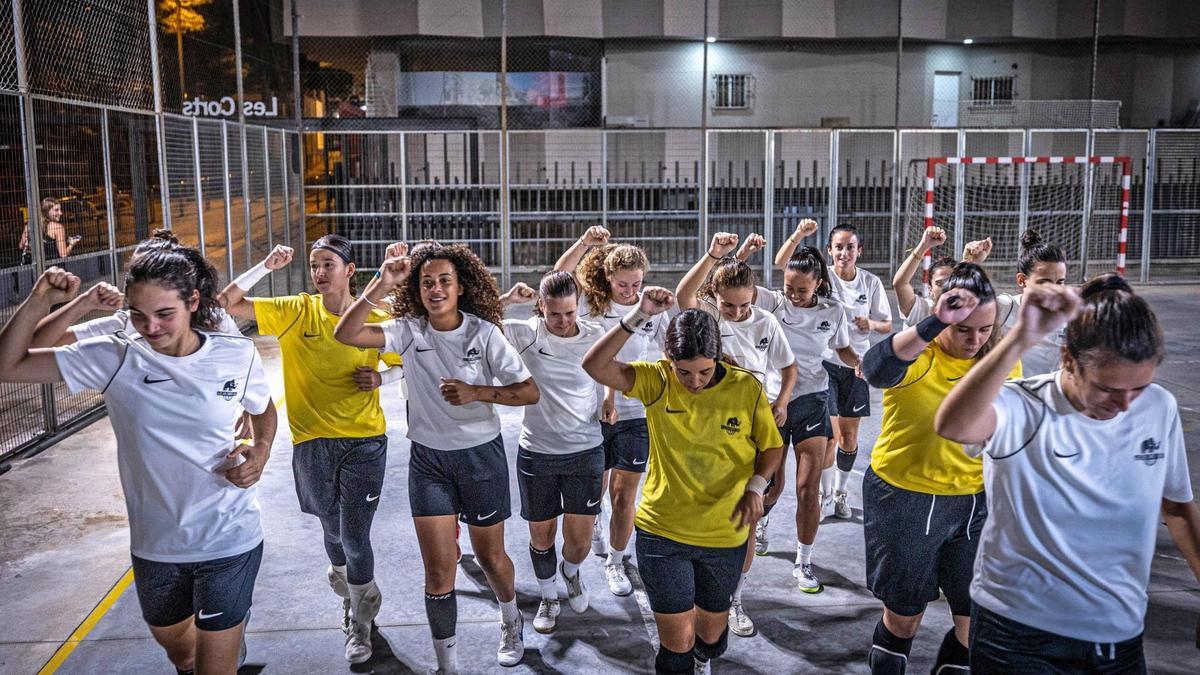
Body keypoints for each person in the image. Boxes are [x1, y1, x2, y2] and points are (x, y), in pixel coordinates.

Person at [0, 249, 277, 675]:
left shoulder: (232, 352)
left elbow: (263, 407)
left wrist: (259, 453)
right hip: (156, 542)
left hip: (229, 534)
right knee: (182, 655)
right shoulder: (115, 354)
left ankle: (226, 644)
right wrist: (41, 299)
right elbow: (9, 364)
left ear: (193, 303)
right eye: (138, 314)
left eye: (165, 313)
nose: (151, 327)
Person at [935, 276, 1200, 673]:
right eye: (1108, 389)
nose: (1126, 405)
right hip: (1018, 635)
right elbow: (953, 425)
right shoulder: (1021, 405)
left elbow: (1178, 508)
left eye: (1139, 388)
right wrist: (1023, 335)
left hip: (1119, 633)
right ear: (1068, 361)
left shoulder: (1158, 407)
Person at [334, 242, 539, 675]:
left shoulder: (484, 333)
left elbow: (527, 392)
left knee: (490, 558)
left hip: (479, 459)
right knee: (438, 573)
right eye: (426, 282)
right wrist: (380, 283)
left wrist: (477, 392)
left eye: (445, 280)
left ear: (461, 286)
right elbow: (346, 334)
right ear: (417, 288)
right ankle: (448, 666)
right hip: (429, 463)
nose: (436, 288)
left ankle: (510, 617)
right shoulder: (409, 330)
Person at [218, 234, 402, 664]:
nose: (319, 273)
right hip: (310, 442)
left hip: (364, 441)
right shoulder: (294, 310)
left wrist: (383, 379)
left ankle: (360, 619)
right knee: (333, 531)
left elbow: (410, 362)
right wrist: (265, 266)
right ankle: (356, 589)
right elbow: (228, 301)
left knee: (355, 536)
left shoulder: (379, 315)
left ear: (350, 270)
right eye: (314, 265)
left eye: (328, 265)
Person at [582, 290, 784, 674]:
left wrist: (757, 486)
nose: (694, 381)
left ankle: (703, 658)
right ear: (668, 360)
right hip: (663, 533)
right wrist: (639, 314)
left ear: (718, 358)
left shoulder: (745, 388)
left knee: (711, 639)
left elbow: (771, 448)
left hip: (723, 534)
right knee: (675, 648)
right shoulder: (656, 380)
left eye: (705, 372)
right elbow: (594, 364)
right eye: (684, 371)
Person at [858, 262, 1020, 675]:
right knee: (904, 617)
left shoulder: (1001, 363)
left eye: (985, 330)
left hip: (974, 504)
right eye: (964, 328)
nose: (975, 339)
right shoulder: (919, 356)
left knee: (974, 621)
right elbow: (875, 369)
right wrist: (934, 322)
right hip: (906, 498)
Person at [675, 232, 796, 637]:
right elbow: (683, 294)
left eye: (745, 304)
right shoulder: (708, 318)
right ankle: (696, 593)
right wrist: (712, 254)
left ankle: (734, 598)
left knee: (745, 514)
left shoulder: (766, 321)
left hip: (754, 422)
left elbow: (788, 367)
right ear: (716, 297)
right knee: (704, 510)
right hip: (712, 426)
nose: (737, 311)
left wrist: (781, 403)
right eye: (729, 304)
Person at [554, 226, 673, 598]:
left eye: (636, 283)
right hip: (592, 411)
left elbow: (671, 354)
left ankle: (616, 561)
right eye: (623, 284)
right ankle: (596, 525)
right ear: (608, 277)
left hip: (635, 411)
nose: (631, 291)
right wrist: (586, 243)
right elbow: (558, 275)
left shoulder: (652, 307)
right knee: (596, 489)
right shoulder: (591, 303)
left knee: (625, 495)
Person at [501, 271, 606, 634]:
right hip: (538, 453)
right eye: (554, 314)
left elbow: (608, 374)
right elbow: (477, 322)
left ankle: (571, 574)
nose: (562, 322)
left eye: (570, 313)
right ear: (541, 307)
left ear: (578, 308)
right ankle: (548, 596)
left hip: (585, 450)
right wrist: (507, 299)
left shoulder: (595, 335)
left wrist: (609, 401)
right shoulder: (527, 332)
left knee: (577, 544)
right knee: (541, 537)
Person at [752, 241, 859, 594]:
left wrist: (858, 362)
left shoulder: (833, 310)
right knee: (771, 483)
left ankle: (803, 561)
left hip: (813, 400)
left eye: (802, 289)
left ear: (818, 284)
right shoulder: (772, 303)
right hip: (772, 403)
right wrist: (739, 253)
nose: (794, 295)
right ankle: (761, 525)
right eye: (788, 288)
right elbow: (728, 282)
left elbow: (841, 348)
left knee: (806, 488)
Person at [775, 221, 891, 519]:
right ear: (829, 251)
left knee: (849, 438)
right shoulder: (820, 279)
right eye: (838, 247)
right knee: (829, 438)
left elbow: (887, 324)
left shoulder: (869, 283)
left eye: (850, 246)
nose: (844, 252)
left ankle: (839, 491)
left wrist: (871, 327)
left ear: (859, 251)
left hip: (855, 366)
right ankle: (823, 492)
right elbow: (782, 263)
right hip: (824, 367)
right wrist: (799, 234)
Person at [30, 230, 242, 348]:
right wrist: (81, 303)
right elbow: (35, 344)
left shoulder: (215, 321)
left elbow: (248, 371)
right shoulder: (124, 324)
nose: (151, 327)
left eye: (165, 314)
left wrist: (249, 406)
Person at [991, 229, 1069, 376]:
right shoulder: (1004, 308)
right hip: (1007, 394)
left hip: (1044, 396)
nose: (1054, 290)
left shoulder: (1068, 318)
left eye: (1060, 282)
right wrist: (969, 262)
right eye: (1044, 282)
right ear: (1021, 280)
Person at [892, 226, 993, 329]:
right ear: (930, 289)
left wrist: (970, 263)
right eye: (939, 283)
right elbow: (900, 283)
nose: (947, 287)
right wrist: (923, 246)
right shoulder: (921, 310)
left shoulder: (969, 309)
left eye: (951, 281)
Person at [20, 197, 80, 263]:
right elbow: (63, 254)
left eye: (60, 210)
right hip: (53, 269)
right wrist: (71, 244)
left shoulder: (30, 226)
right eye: (56, 210)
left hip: (36, 268)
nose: (60, 213)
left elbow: (21, 246)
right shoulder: (58, 227)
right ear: (47, 211)